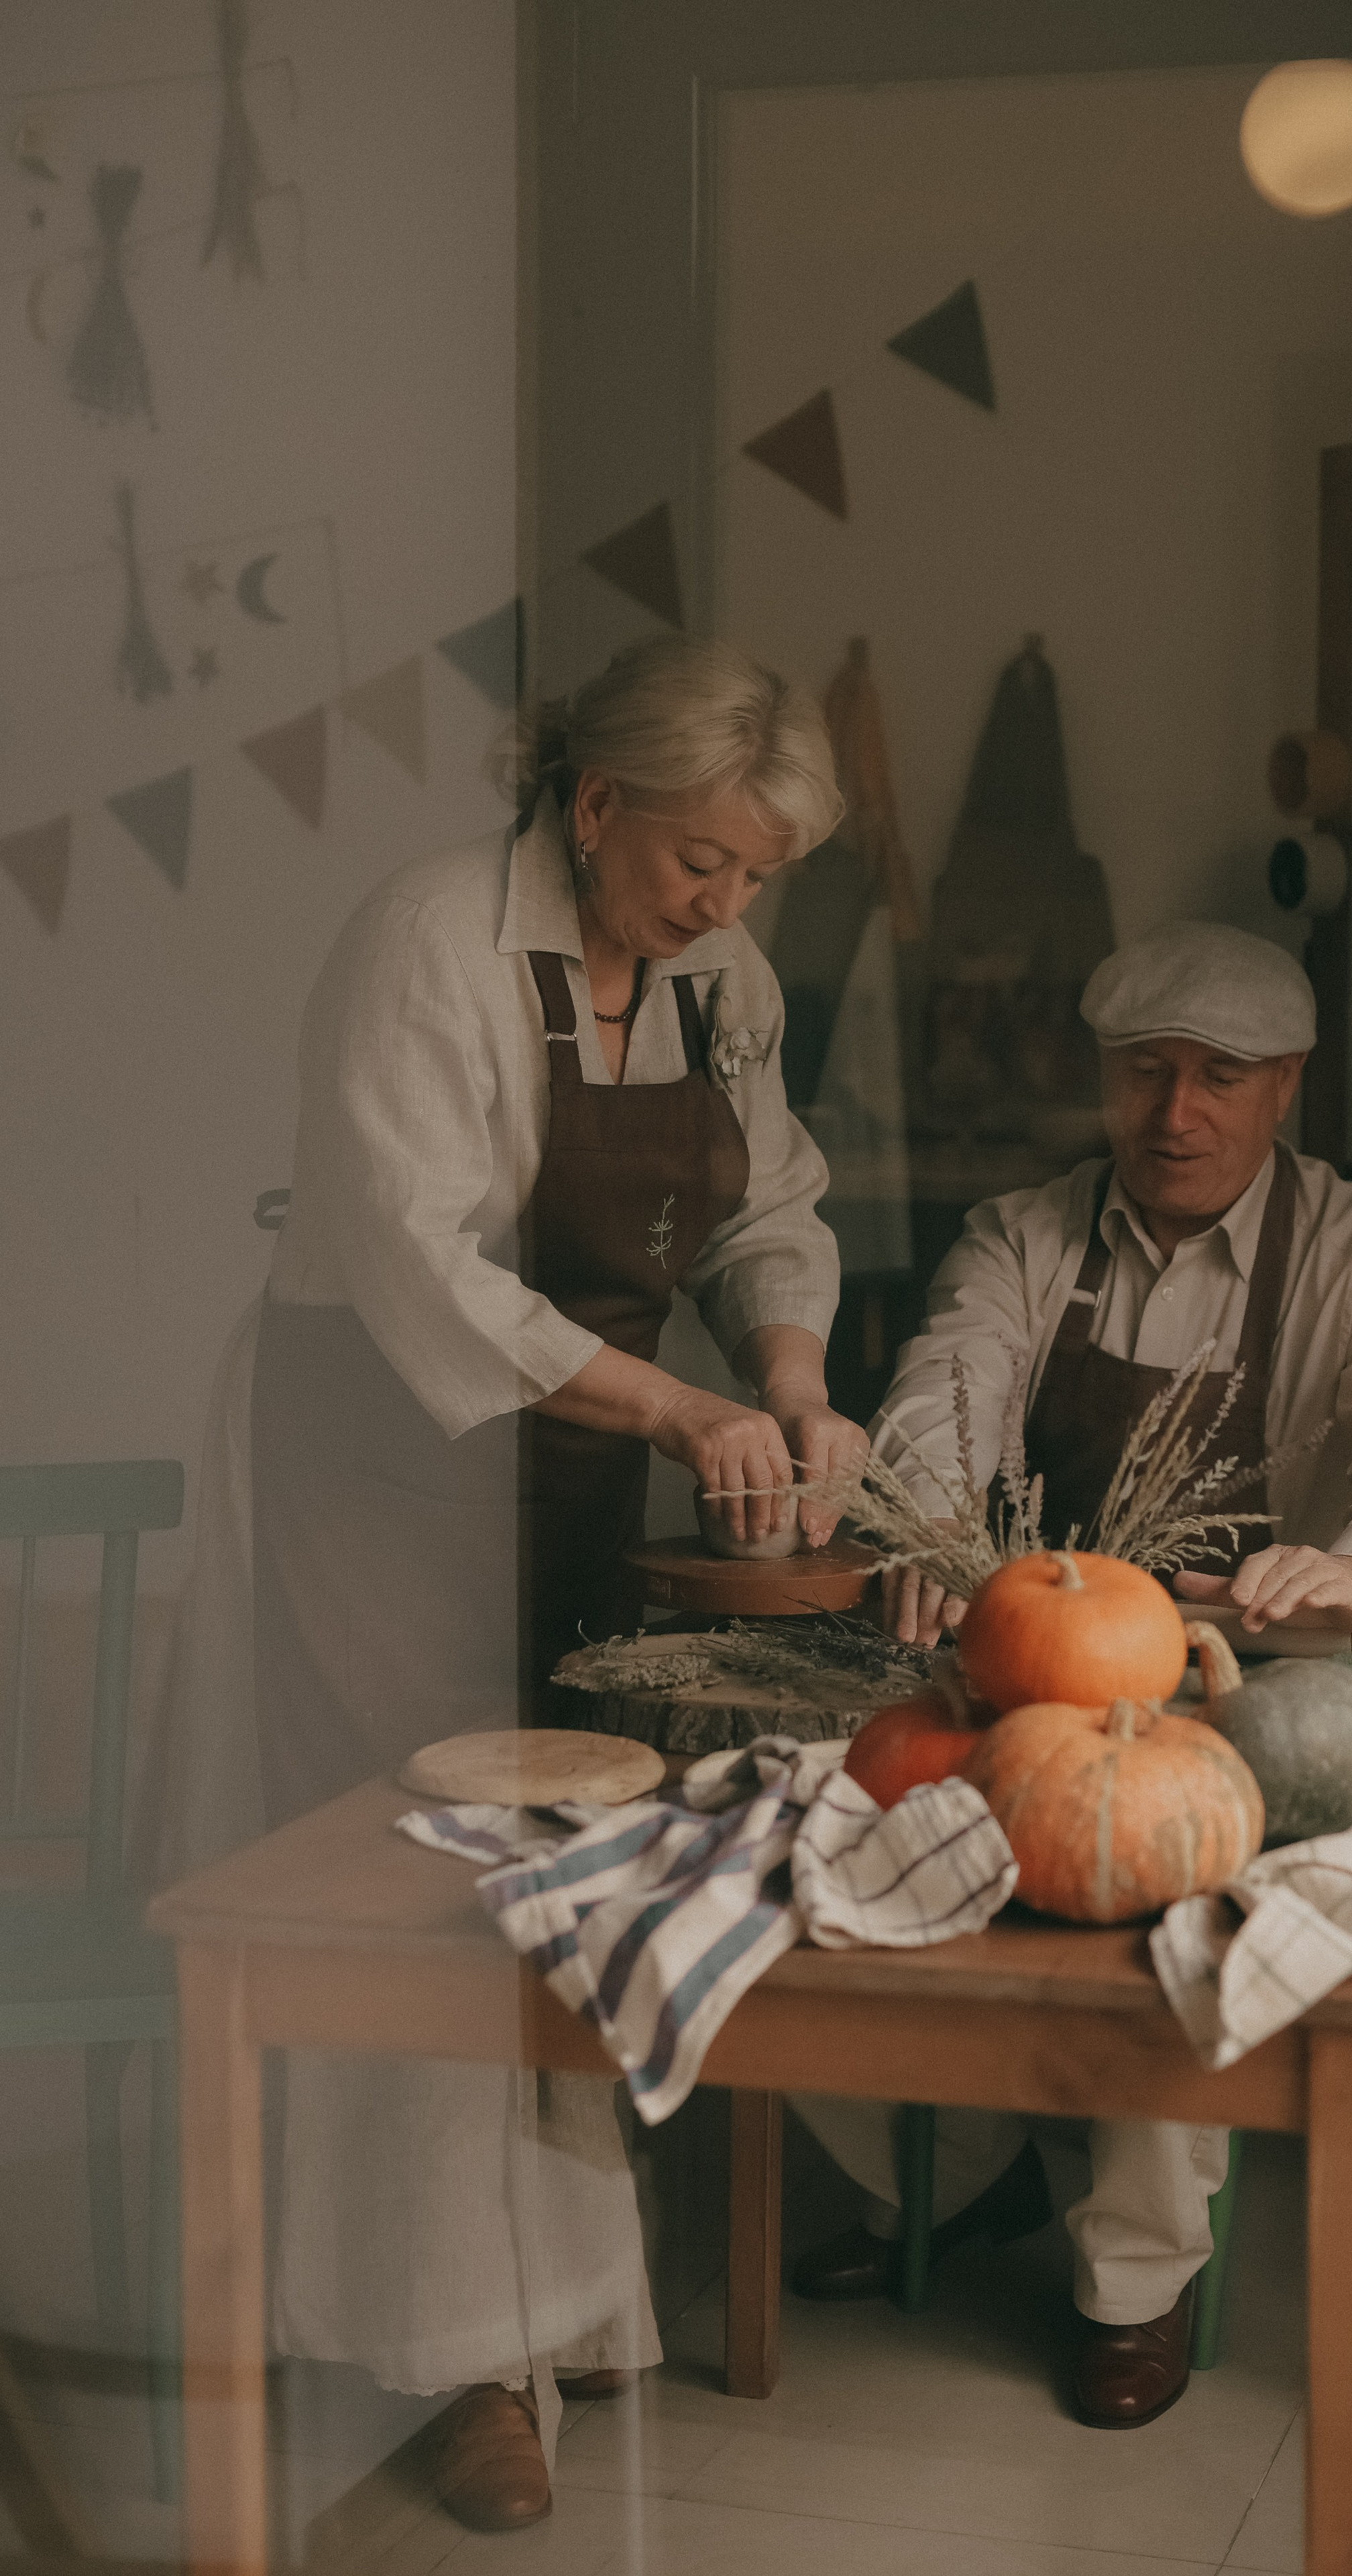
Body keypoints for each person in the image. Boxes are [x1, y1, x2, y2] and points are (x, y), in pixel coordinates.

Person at [251, 636, 868, 2530]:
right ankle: (447, 2361)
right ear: (596, 805)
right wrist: (683, 1404)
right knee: (445, 1865)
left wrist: (785, 1376)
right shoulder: (427, 941)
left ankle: (578, 2309)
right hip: (386, 1451)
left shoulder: (718, 979)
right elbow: (422, 1268)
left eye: (759, 876)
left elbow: (772, 1207)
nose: (729, 904)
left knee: (603, 1838)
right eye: (704, 863)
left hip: (598, 1447)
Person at [791, 920, 1352, 2430]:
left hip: (1223, 1693)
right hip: (1017, 1662)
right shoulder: (1020, 1235)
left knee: (1172, 1911)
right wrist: (935, 1526)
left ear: (1287, 1085)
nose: (1174, 1113)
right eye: (1142, 1073)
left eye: (1219, 1077)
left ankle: (1134, 2280)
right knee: (807, 1844)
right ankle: (959, 2172)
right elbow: (943, 1386)